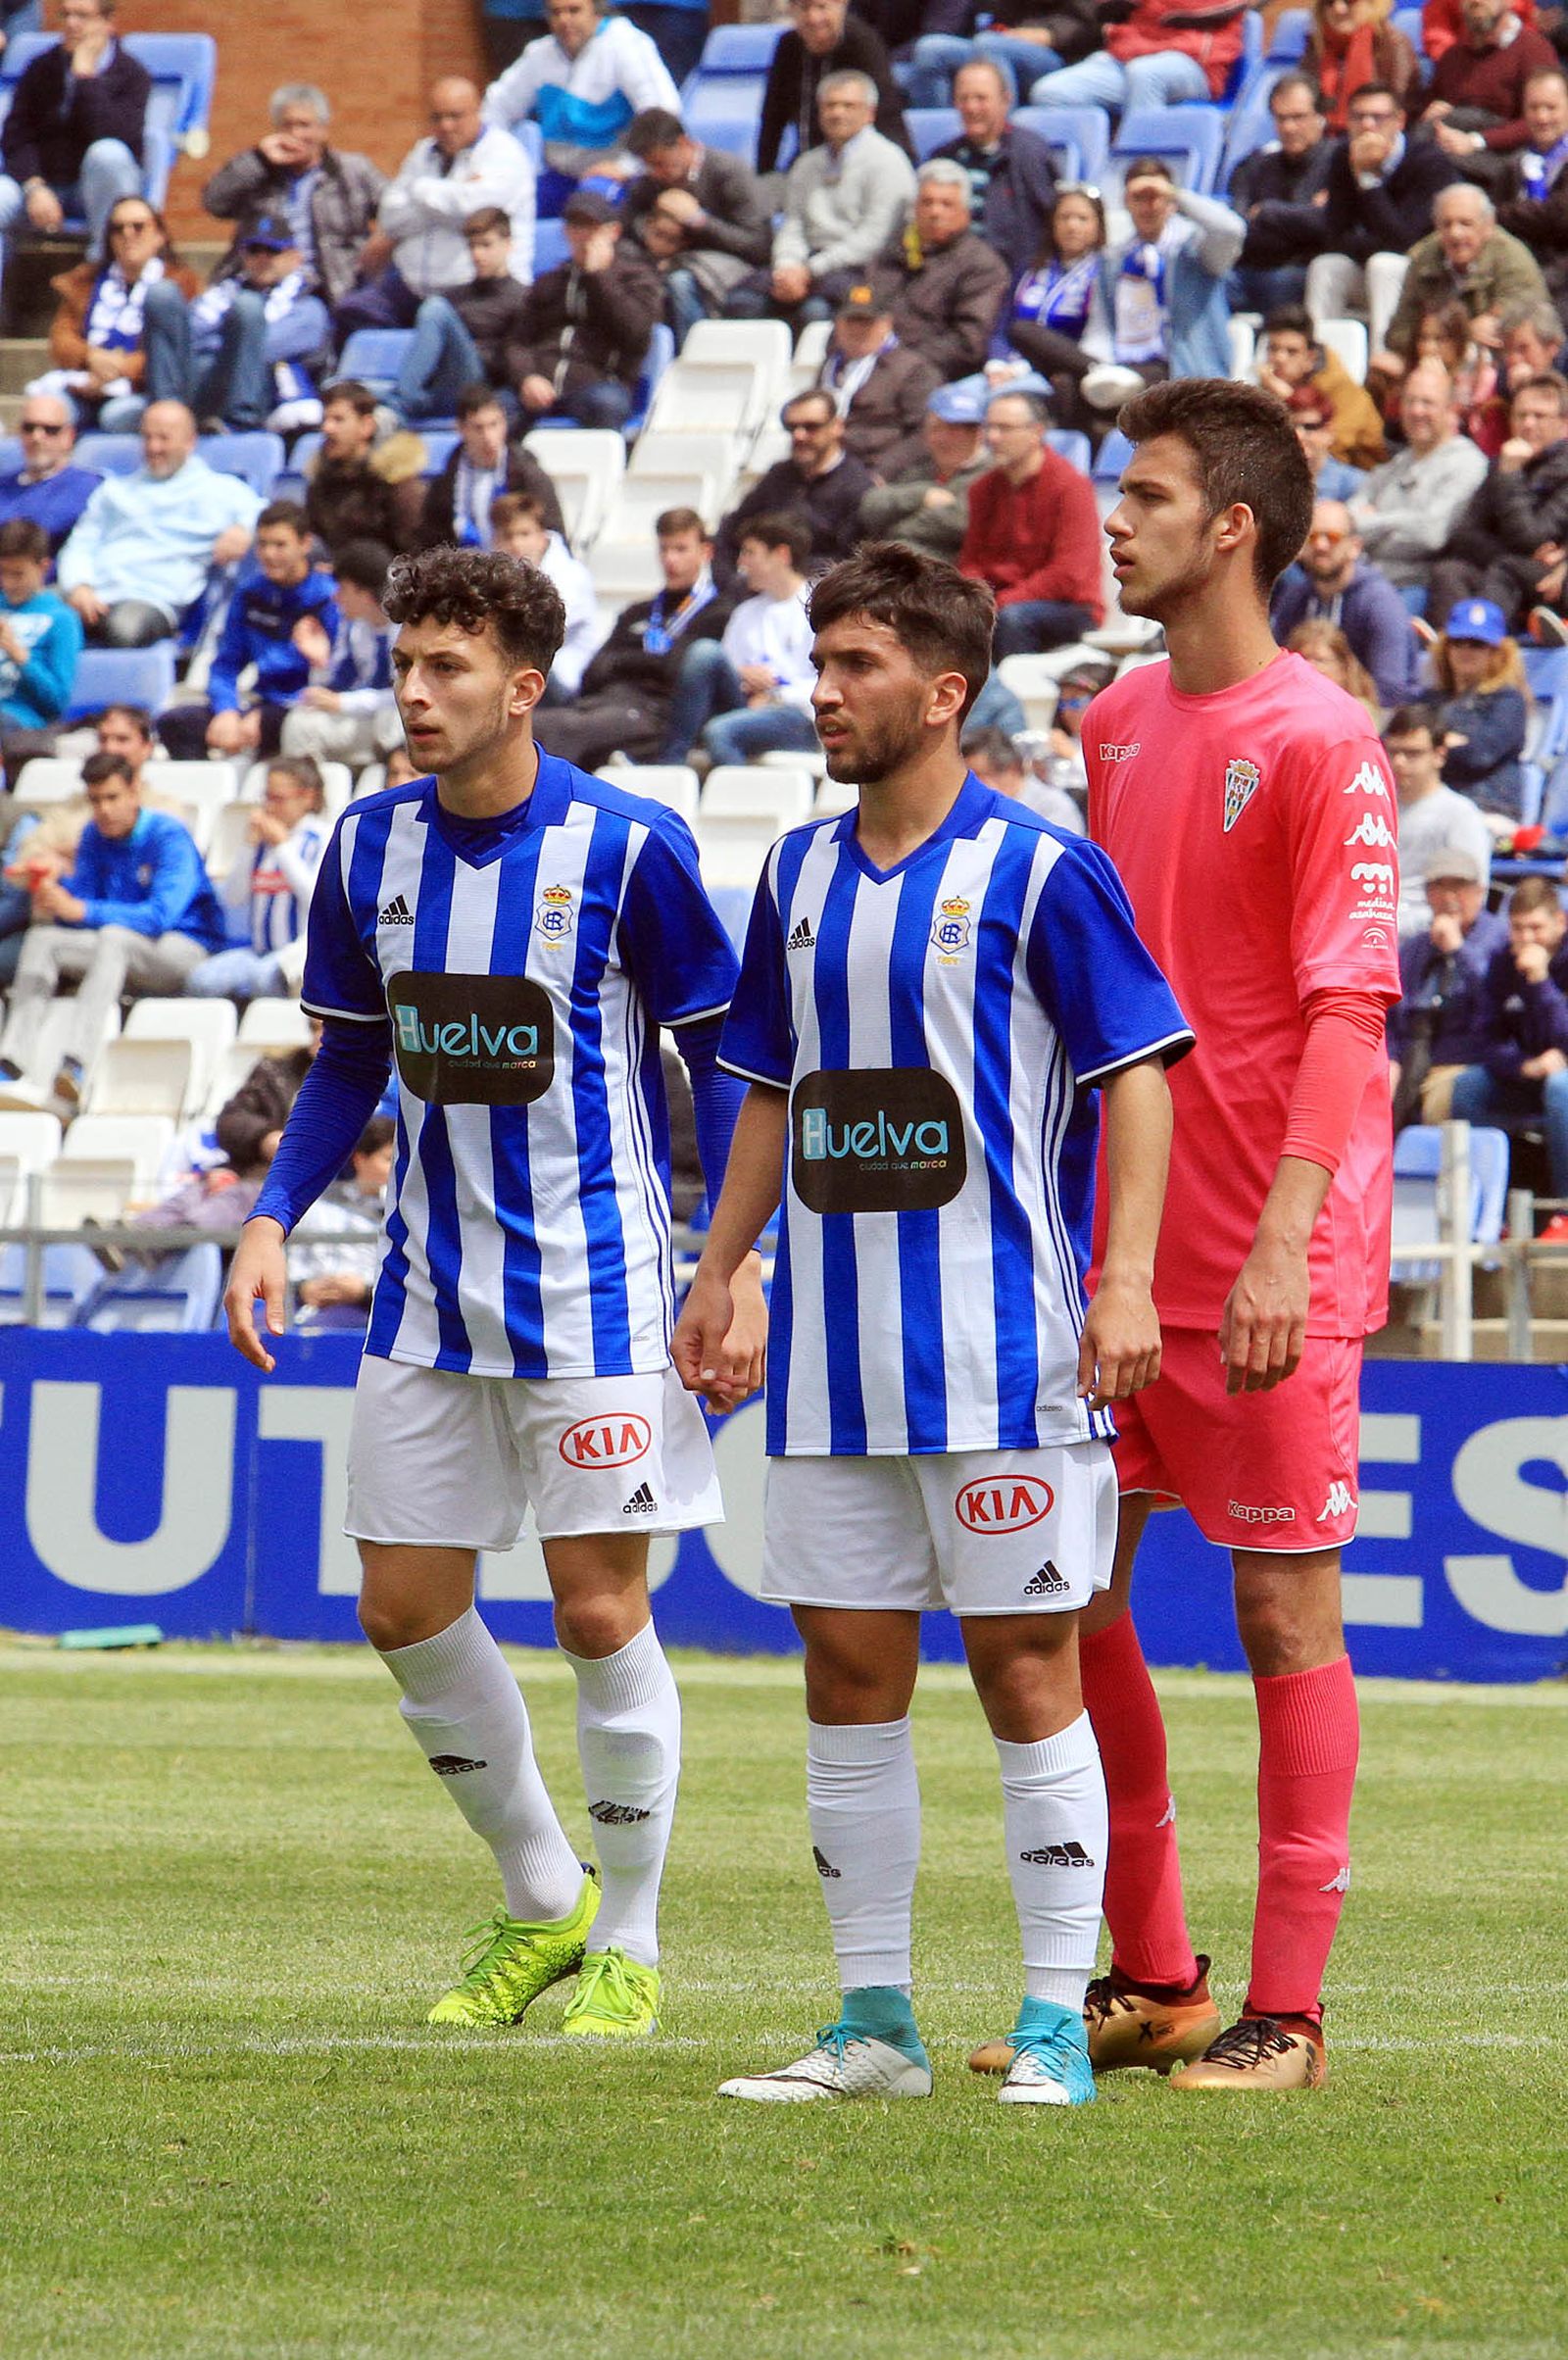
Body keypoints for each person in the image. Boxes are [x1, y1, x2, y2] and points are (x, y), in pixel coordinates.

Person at [672, 540, 1192, 2109]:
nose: (823, 693)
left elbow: (1139, 1078)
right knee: (845, 1675)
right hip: (831, 1369)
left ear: (947, 690)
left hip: (1004, 1359)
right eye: (819, 664)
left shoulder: (1040, 870)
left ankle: (1053, 2023)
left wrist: (1124, 1278)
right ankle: (875, 2025)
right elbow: (773, 1089)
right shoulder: (795, 873)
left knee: (1028, 1669)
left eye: (858, 667)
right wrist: (722, 1264)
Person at [223, 543, 764, 2041]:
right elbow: (352, 1055)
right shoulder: (364, 846)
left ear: (523, 689)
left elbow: (724, 1059)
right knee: (400, 1608)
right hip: (424, 1297)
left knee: (596, 1610)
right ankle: (545, 1896)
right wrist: (270, 1217)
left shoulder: (629, 848)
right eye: (404, 662)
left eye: (446, 667)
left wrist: (732, 1263)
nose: (414, 691)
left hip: (599, 1294)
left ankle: (633, 1939)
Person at [1055, 376, 1401, 2093]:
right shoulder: (1114, 722)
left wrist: (1285, 1241)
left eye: (1146, 496)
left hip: (1277, 1252)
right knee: (1067, 1593)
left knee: (1280, 1613)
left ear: (1233, 527)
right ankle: (1155, 1972)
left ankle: (1292, 2014)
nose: (1115, 520)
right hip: (1125, 1250)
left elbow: (1349, 1012)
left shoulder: (1325, 738)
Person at [0, 747, 224, 1106]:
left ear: (135, 791)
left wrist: (80, 908)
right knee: (43, 939)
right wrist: (55, 892)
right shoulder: (94, 834)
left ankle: (76, 1065)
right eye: (95, 800)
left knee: (113, 937)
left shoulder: (168, 835)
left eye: (112, 797)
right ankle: (11, 1061)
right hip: (118, 948)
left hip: (184, 949)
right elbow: (81, 908)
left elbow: (159, 916)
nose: (104, 809)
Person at [336, 76, 535, 341]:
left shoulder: (504, 153)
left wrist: (419, 189)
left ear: (478, 111)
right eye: (437, 117)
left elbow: (475, 215)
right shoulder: (423, 152)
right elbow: (390, 214)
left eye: (455, 116)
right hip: (411, 286)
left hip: (472, 288)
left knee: (442, 328)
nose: (445, 126)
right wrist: (450, 198)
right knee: (351, 311)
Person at [535, 506, 735, 767]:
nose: (670, 559)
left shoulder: (718, 612)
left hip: (652, 713)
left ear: (705, 552)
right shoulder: (637, 612)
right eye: (664, 549)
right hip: (602, 702)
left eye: (681, 549)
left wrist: (624, 659)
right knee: (534, 722)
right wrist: (648, 660)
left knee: (567, 729)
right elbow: (594, 672)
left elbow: (675, 670)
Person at [56, 400, 261, 649]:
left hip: (151, 601)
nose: (154, 447)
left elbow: (268, 516)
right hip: (91, 595)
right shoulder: (114, 491)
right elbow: (80, 544)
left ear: (190, 441)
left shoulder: (221, 490)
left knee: (122, 629)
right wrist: (78, 585)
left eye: (164, 438)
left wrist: (244, 529)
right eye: (147, 437)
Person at [735, 71, 917, 331]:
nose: (837, 113)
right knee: (742, 302)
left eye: (848, 105)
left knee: (814, 312)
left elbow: (875, 237)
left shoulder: (889, 161)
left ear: (870, 113)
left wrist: (810, 270)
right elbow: (793, 224)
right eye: (830, 105)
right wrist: (787, 267)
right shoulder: (806, 163)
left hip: (862, 268)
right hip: (804, 263)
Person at [159, 501, 339, 763]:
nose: (269, 554)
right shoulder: (250, 593)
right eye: (262, 544)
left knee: (274, 725)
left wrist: (275, 710)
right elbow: (226, 664)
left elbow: (338, 675)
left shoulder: (329, 598)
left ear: (305, 544)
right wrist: (227, 711)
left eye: (280, 545)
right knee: (175, 723)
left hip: (305, 705)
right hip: (258, 701)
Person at [202, 82, 384, 316]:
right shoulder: (258, 171)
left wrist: (379, 247)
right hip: (256, 284)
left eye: (304, 125)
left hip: (324, 292)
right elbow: (214, 202)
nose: (296, 134)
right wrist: (258, 159)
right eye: (288, 125)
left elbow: (397, 211)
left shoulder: (351, 172)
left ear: (323, 130)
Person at [1306, 83, 1463, 347]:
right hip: (1369, 266)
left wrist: (1368, 180)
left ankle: (1383, 362)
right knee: (1326, 266)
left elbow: (1405, 242)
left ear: (1399, 121)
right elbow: (1334, 236)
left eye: (1377, 117)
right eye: (1358, 117)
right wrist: (1370, 245)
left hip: (1424, 277)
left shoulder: (1429, 161)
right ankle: (1316, 358)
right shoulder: (1343, 157)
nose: (1367, 125)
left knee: (1384, 265)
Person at [480, 0, 679, 205]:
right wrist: (488, 160)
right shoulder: (539, 53)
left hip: (616, 175)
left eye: (574, 11)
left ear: (596, 11)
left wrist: (627, 166)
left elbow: (663, 114)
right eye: (556, 13)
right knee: (499, 204)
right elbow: (497, 107)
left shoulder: (627, 45)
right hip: (560, 175)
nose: (564, 20)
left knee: (585, 211)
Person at [0, 0, 146, 275]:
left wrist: (86, 78)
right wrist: (34, 187)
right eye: (65, 15)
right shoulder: (41, 68)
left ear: (108, 22)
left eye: (82, 16)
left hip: (97, 191)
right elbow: (16, 137)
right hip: (42, 188)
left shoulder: (131, 74)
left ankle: (106, 275)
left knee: (108, 154)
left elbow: (117, 137)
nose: (71, 24)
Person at [31, 195, 198, 432]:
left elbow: (180, 351)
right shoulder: (85, 281)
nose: (128, 235)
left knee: (115, 417)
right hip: (84, 382)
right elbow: (61, 338)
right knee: (46, 410)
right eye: (118, 229)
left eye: (138, 227)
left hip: (141, 390)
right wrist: (91, 357)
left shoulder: (181, 285)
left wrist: (122, 367)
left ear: (159, 236)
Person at [506, 187, 661, 434]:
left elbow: (636, 333)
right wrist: (526, 377)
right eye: (575, 226)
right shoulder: (550, 281)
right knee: (491, 408)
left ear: (613, 232)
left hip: (598, 385)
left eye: (591, 227)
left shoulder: (638, 279)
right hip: (541, 386)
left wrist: (599, 276)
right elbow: (519, 341)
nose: (582, 236)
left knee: (606, 403)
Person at [1450, 872, 1568, 1196]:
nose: (1527, 938)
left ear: (1560, 922)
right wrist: (1523, 1065)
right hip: (1525, 1073)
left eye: (1536, 927)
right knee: (1468, 1086)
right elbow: (1484, 1038)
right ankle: (1482, 1205)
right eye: (1518, 928)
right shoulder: (1502, 962)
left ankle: (1564, 1207)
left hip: (1562, 1077)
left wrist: (1540, 982)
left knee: (1561, 1088)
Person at [959, 389, 1102, 657]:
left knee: (1013, 618)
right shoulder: (982, 489)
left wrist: (1000, 602)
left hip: (1069, 607)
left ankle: (1015, 685)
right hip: (1000, 602)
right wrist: (973, 599)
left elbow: (1068, 574)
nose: (993, 437)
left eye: (1004, 428)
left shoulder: (1071, 486)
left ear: (1036, 432)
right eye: (989, 427)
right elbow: (972, 561)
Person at [618, 111, 771, 353]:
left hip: (730, 263)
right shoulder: (649, 182)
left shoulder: (728, 171)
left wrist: (699, 221)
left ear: (683, 144)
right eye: (649, 166)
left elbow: (758, 244)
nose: (656, 172)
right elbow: (625, 228)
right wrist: (651, 231)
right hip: (668, 260)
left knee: (681, 281)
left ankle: (695, 356)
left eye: (660, 163)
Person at [675, 513, 819, 767]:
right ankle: (672, 759)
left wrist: (777, 695)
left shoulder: (818, 605)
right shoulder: (746, 612)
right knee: (704, 653)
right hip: (748, 705)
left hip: (798, 714)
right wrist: (742, 674)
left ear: (781, 555)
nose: (741, 562)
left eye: (750, 553)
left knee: (720, 731)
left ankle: (740, 790)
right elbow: (727, 666)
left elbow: (826, 680)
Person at [1427, 369, 1568, 626]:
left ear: (1564, 423)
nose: (1528, 424)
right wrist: (1509, 553)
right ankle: (1449, 642)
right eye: (1521, 415)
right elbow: (1465, 535)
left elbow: (1534, 537)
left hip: (1555, 579)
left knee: (1507, 569)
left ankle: (1481, 638)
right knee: (1449, 572)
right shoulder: (1501, 465)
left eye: (1539, 416)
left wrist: (1511, 476)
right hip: (1510, 569)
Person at [1093, 159, 1247, 395]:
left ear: (1171, 202)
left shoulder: (1196, 250)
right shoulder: (1113, 260)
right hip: (1128, 365)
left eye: (1156, 197)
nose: (1148, 207)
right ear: (1126, 202)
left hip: (1187, 373)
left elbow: (1231, 229)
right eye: (1139, 198)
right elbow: (1102, 328)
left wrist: (1176, 193)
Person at [187, 756, 331, 1005]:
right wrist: (248, 847)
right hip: (257, 952)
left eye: (278, 799)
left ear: (307, 797)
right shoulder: (260, 842)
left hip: (299, 953)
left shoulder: (320, 838)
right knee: (201, 980)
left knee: (265, 979)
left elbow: (317, 899)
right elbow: (233, 898)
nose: (270, 807)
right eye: (267, 797)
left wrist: (283, 847)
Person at [1376, 185, 1547, 386]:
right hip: (1434, 359)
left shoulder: (1513, 257)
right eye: (1447, 224)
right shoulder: (1424, 259)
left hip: (1494, 363)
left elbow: (1528, 308)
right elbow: (1399, 331)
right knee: (1384, 365)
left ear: (1488, 225)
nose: (1455, 233)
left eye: (1465, 223)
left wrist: (1496, 321)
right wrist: (1448, 337)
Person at [1387, 845, 1507, 1124]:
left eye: (1459, 886)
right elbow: (1390, 1014)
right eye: (1439, 886)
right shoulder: (1415, 948)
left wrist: (1458, 950)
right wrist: (1390, 1060)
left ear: (1479, 892)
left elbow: (1496, 999)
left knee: (1442, 1099)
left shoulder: (1499, 938)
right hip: (1411, 1058)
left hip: (1469, 1060)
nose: (1449, 896)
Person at [181, 216, 332, 437]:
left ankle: (241, 422)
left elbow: (261, 349)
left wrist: (226, 337)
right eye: (254, 251)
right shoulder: (218, 295)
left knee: (247, 308)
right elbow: (190, 338)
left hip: (270, 402)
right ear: (243, 255)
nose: (262, 258)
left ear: (295, 257)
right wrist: (235, 339)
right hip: (209, 388)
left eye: (273, 251)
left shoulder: (308, 306)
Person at [1349, 361, 1492, 592]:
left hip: (1416, 586)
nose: (1417, 411)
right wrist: (1407, 521)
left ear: (1450, 409)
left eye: (1427, 402)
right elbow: (1348, 521)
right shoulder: (1397, 464)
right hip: (1366, 578)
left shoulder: (1467, 463)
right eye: (1410, 401)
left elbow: (1432, 534)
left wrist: (1374, 521)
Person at [387, 208, 531, 428]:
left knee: (435, 308)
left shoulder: (523, 298)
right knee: (362, 390)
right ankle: (400, 404)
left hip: (483, 385)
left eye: (486, 245)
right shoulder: (455, 296)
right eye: (472, 246)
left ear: (508, 245)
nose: (477, 255)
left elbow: (516, 357)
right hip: (445, 384)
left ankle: (401, 401)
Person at [870, 161, 1010, 385]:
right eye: (927, 202)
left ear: (965, 213)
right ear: (915, 208)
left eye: (947, 204)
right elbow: (861, 308)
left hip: (931, 374)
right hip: (872, 362)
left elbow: (968, 343)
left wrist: (899, 363)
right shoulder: (892, 253)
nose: (935, 212)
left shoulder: (982, 265)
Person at [989, 184, 1111, 438]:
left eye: (1082, 219)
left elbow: (1093, 337)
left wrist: (1022, 369)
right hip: (1005, 368)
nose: (1072, 226)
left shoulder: (1105, 272)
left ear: (1098, 225)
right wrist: (997, 363)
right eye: (1064, 217)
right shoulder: (1031, 267)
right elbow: (1002, 325)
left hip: (1058, 370)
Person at [1270, 496, 1419, 704]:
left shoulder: (1379, 602)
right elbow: (1272, 669)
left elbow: (1389, 690)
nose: (1321, 545)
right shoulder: (1295, 597)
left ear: (1355, 547)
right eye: (1312, 537)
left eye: (1332, 537)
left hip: (1370, 714)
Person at [716, 390, 876, 581]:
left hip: (819, 589)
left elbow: (851, 561)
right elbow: (732, 530)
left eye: (811, 427)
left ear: (837, 427)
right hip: (762, 587)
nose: (799, 435)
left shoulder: (857, 487)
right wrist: (730, 582)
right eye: (791, 427)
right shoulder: (778, 476)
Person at [931, 60, 1059, 285]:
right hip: (950, 280)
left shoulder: (1030, 154)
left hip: (1012, 280)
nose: (971, 108)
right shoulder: (943, 158)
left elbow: (1050, 224)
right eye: (964, 98)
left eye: (981, 98)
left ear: (1005, 101)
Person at [281, 538, 404, 771]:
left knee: (390, 720)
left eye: (342, 589)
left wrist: (345, 703)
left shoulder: (404, 629)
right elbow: (337, 684)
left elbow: (402, 694)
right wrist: (319, 662)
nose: (336, 597)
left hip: (391, 721)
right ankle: (307, 787)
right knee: (299, 722)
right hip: (361, 719)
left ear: (364, 592)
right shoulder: (353, 628)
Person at [756, 0, 910, 179]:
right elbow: (772, 119)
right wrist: (764, 174)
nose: (813, 18)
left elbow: (887, 115)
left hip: (862, 169)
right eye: (804, 8)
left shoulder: (863, 44)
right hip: (807, 166)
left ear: (842, 6)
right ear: (792, 10)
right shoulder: (788, 46)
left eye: (821, 7)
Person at [1229, 74, 1336, 317]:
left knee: (1279, 283)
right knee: (1206, 280)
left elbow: (1329, 225)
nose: (1289, 127)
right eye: (1281, 118)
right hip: (1251, 266)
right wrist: (1302, 217)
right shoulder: (1255, 165)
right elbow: (1239, 227)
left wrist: (1267, 212)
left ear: (1321, 116)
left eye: (1298, 117)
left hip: (1304, 270)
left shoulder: (1339, 162)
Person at [1383, 700, 1494, 933]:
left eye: (1412, 753)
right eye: (1393, 752)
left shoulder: (1460, 814)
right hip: (1372, 924)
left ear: (1439, 755)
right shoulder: (1375, 808)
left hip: (1427, 935)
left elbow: (1473, 898)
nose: (1398, 762)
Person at [417, 382, 565, 553]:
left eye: (494, 424)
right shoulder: (447, 484)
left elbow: (554, 535)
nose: (488, 437)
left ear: (504, 423)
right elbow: (431, 542)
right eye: (478, 428)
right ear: (461, 429)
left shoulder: (528, 475)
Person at [1024, 0, 1247, 112]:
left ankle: (1146, 166)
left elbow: (1185, 9)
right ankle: (1087, 176)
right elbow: (1103, 8)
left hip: (1194, 65)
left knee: (1146, 73)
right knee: (1051, 93)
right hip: (1129, 58)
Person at [1419, 598, 1531, 818]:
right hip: (1429, 807)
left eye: (1477, 644)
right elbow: (1393, 742)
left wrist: (1429, 745)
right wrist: (1446, 742)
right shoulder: (1429, 699)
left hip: (1488, 811)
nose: (1466, 650)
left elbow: (1478, 755)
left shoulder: (1508, 700)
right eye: (1457, 642)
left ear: (1497, 652)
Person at [815, 285, 941, 481]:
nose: (857, 329)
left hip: (878, 470)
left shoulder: (913, 369)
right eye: (850, 321)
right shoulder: (829, 367)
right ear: (837, 324)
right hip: (826, 467)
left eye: (867, 322)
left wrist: (883, 472)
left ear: (886, 324)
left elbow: (924, 432)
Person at [858, 381, 991, 564]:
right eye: (937, 429)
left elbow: (961, 522)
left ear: (978, 434)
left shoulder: (991, 474)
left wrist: (894, 531)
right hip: (900, 565)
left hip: (950, 570)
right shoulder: (920, 471)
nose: (944, 438)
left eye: (955, 430)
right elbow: (870, 504)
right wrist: (922, 495)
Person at [488, 488, 601, 697]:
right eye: (507, 536)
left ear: (542, 535)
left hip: (567, 685)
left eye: (524, 534)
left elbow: (537, 632)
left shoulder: (571, 575)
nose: (516, 544)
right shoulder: (494, 578)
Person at [1417, 0, 1557, 167]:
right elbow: (1429, 106)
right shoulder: (1452, 57)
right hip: (1448, 156)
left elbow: (1543, 121)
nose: (1476, 1)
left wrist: (1477, 141)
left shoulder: (1534, 51)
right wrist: (1432, 112)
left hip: (1509, 163)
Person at [290, 1114, 395, 1333]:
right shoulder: (320, 1206)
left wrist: (363, 1292)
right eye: (388, 1159)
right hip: (308, 1307)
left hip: (375, 1313)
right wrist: (304, 1288)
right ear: (360, 1160)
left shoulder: (408, 1214)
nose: (396, 1169)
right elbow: (292, 1264)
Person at [306, 379, 426, 562]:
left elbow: (418, 557)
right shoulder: (320, 484)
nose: (327, 428)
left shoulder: (397, 485)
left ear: (366, 426)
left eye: (338, 419)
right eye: (325, 419)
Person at [1255, 305, 1387, 471]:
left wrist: (1292, 398)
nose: (1279, 358)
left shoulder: (1342, 389)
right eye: (1273, 349)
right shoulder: (1266, 388)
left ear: (1311, 358)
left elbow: (1336, 445)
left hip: (1354, 472)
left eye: (1292, 352)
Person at [0, 515, 82, 781]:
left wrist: (19, 656)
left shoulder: (61, 619)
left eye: (18, 574)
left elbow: (56, 701)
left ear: (43, 567)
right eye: (2, 573)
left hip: (22, 721)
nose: (8, 583)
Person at [906, 0, 1101, 111]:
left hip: (1056, 53)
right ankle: (941, 144)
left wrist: (1049, 34)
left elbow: (1085, 22)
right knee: (930, 49)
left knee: (989, 44)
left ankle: (1002, 138)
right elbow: (989, 14)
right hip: (997, 39)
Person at [1494, 68, 1568, 298]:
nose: (1542, 117)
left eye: (1551, 107)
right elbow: (1493, 223)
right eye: (1534, 108)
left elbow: (1559, 217)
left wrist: (1505, 214)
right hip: (1514, 270)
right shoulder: (1514, 164)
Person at [0, 391, 100, 554]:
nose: (37, 437)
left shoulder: (89, 487)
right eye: (29, 428)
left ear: (69, 436)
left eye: (50, 430)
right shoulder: (3, 485)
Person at [1303, 0, 1419, 130]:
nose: (1338, 9)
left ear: (1372, 4)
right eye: (1329, 2)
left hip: (1378, 132)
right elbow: (1307, 100)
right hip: (1324, 134)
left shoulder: (1392, 43)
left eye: (1349, 1)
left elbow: (1401, 102)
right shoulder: (1317, 45)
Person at [1286, 615, 1384, 715]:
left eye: (1320, 660)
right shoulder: (1283, 706)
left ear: (1343, 667)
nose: (1310, 665)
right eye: (1303, 658)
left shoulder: (1358, 710)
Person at [1289, 385, 1367, 501]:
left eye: (1310, 427)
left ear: (1328, 432)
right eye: (1291, 428)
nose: (1298, 435)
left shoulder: (1355, 484)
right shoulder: (1271, 480)